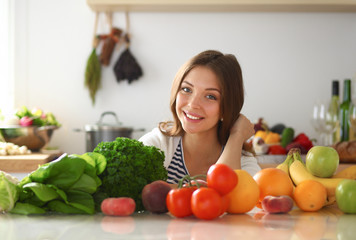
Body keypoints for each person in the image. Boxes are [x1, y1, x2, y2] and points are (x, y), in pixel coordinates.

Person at [139, 50, 261, 184]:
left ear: (227, 108)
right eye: (187, 89)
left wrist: (237, 136)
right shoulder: (158, 144)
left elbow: (234, 200)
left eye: (210, 96)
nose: (193, 104)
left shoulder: (243, 164)